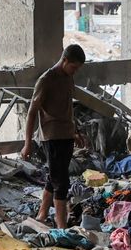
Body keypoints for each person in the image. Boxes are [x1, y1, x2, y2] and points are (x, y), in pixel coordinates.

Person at [21, 44, 86, 228]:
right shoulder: (46, 80)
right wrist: (27, 143)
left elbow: (67, 110)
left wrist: (75, 132)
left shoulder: (68, 78)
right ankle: (61, 226)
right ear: (64, 60)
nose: (75, 71)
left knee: (55, 176)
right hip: (52, 137)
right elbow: (32, 112)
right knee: (62, 182)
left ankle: (41, 215)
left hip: (66, 135)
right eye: (73, 67)